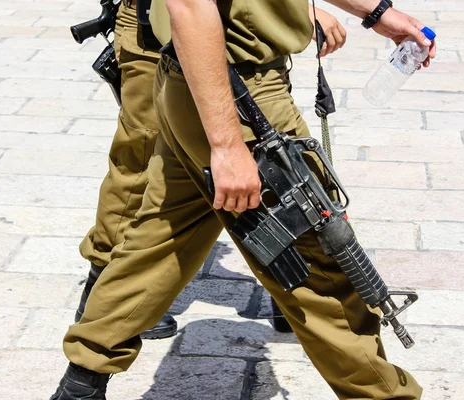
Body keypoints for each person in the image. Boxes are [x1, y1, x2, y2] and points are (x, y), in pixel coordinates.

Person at [50, 0, 433, 398]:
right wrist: (227, 145)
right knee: (323, 272)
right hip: (236, 93)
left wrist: (377, 13)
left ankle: (81, 383)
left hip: (201, 80)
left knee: (160, 241)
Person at [72, 0, 347, 338]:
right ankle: (103, 287)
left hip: (236, 39)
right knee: (140, 165)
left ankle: (291, 285)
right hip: (153, 31)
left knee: (273, 170)